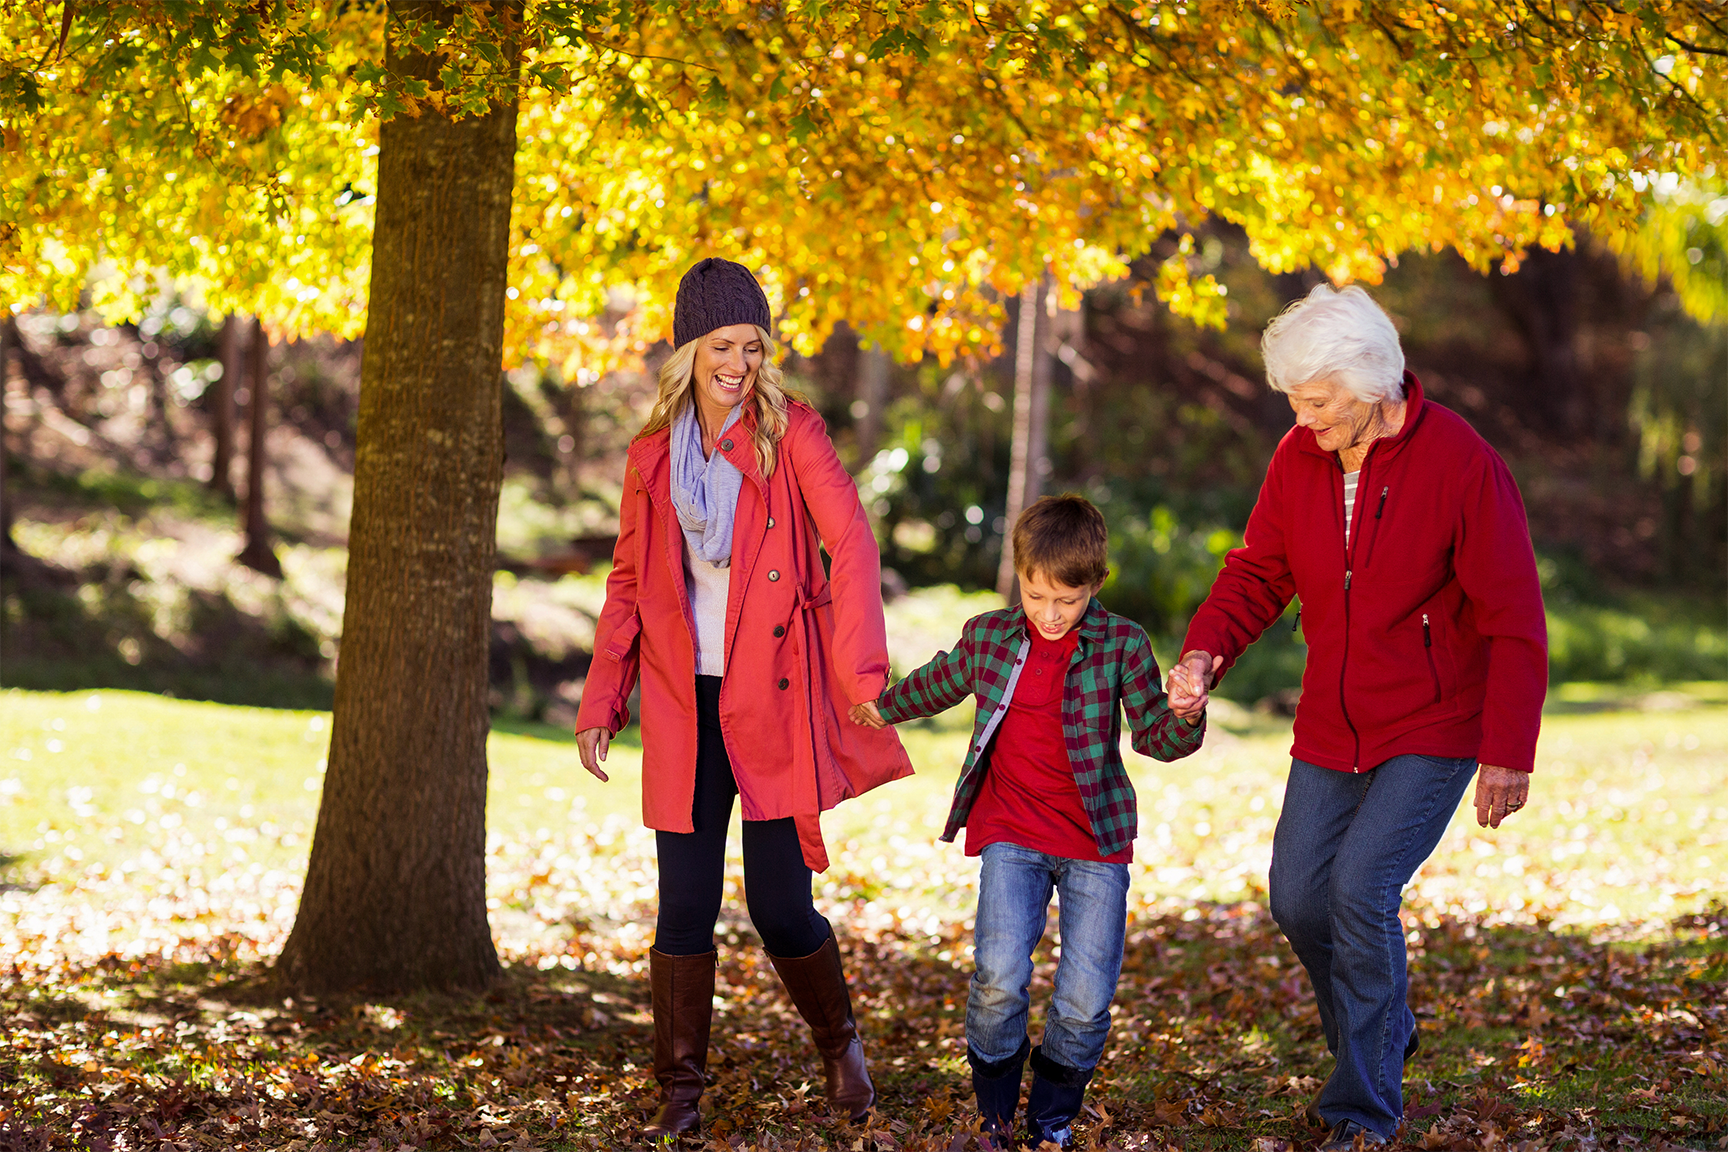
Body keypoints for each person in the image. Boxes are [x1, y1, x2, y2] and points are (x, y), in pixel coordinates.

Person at [1167, 284, 1548, 1150]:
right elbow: (1258, 572)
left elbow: (1514, 616)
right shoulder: (1298, 458)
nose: (1305, 420)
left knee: (1360, 888)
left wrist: (1507, 752)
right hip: (1332, 723)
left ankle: (1364, 1106)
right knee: (1298, 897)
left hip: (1435, 720)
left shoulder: (1459, 459)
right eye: (1296, 402)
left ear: (1375, 383)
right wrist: (1203, 653)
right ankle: (1378, 1037)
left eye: (1319, 401)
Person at [574, 257, 913, 1138]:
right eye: (721, 345)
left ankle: (840, 1045)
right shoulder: (652, 456)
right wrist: (601, 700)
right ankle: (679, 1095)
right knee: (681, 906)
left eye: (752, 346)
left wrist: (862, 674)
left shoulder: (789, 432)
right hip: (685, 707)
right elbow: (626, 586)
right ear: (687, 350)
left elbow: (854, 542)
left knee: (778, 904)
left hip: (774, 703)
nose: (738, 363)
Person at [853, 495, 1207, 1149]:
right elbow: (942, 681)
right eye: (1035, 595)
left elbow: (1156, 738)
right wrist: (883, 708)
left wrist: (1184, 714)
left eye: (1065, 601)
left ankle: (1051, 1116)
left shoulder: (1121, 643)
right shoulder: (990, 635)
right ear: (1019, 576)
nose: (1048, 614)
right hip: (1010, 833)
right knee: (998, 977)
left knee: (1084, 994)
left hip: (1094, 841)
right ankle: (994, 1114)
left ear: (1094, 587)